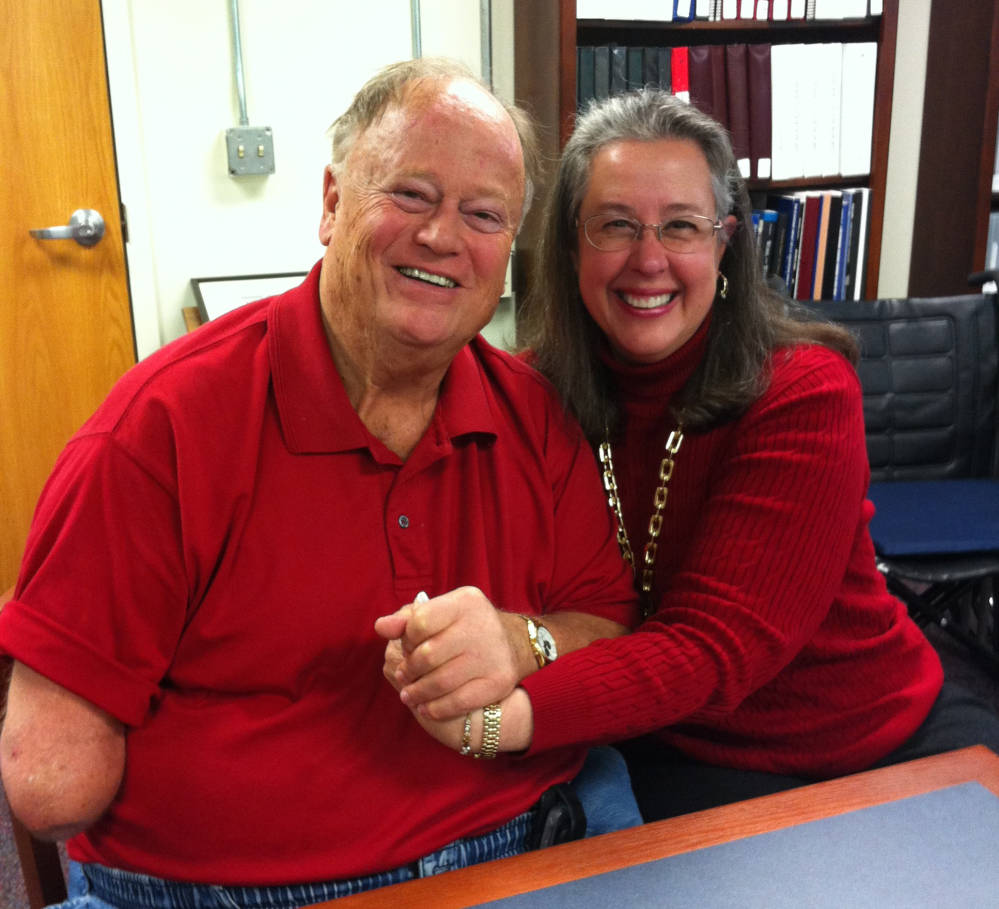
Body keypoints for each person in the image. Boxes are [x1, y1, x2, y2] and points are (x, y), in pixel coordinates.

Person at [0, 59, 643, 908]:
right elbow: (52, 784)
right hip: (232, 892)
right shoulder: (159, 430)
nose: (444, 235)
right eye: (411, 194)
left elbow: (608, 631)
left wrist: (524, 642)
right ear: (332, 203)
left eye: (483, 214)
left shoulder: (540, 417)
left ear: (507, 256)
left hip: (524, 849)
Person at [379, 87, 999, 820]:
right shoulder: (529, 391)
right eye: (615, 225)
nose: (649, 259)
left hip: (865, 744)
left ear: (723, 243)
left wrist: (498, 719)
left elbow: (715, 646)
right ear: (571, 245)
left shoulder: (800, 390)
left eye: (680, 226)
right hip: (667, 749)